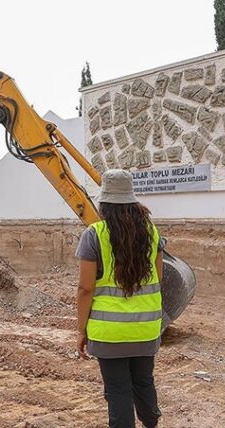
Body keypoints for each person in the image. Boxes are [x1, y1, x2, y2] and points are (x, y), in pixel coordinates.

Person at [75, 169, 164, 428]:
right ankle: (151, 423)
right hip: (146, 328)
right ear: (132, 200)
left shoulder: (94, 235)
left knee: (117, 391)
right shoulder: (151, 232)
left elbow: (85, 289)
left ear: (104, 203)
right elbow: (157, 279)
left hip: (109, 332)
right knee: (144, 382)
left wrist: (81, 330)